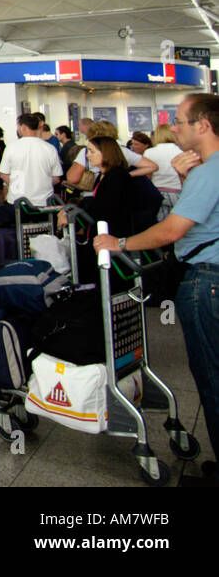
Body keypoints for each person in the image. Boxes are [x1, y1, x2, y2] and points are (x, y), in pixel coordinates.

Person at [92, 93, 219, 486]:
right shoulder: (206, 171)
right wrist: (185, 179)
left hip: (207, 281)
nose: (174, 127)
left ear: (204, 125)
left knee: (212, 376)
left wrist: (120, 243)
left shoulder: (211, 170)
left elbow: (174, 229)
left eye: (180, 121)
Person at [66, 120, 157, 187]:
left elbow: (73, 178)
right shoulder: (123, 150)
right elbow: (152, 166)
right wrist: (128, 175)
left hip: (93, 195)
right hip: (121, 192)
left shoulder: (87, 152)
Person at [0, 113, 64, 206]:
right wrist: (41, 185)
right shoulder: (49, 148)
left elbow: (3, 175)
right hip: (44, 202)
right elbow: (56, 178)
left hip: (17, 201)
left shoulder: (11, 147)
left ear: (23, 127)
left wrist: (17, 187)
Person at [144, 125, 184, 219]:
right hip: (178, 192)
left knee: (160, 222)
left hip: (157, 192)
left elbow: (147, 177)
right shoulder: (181, 151)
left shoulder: (149, 152)